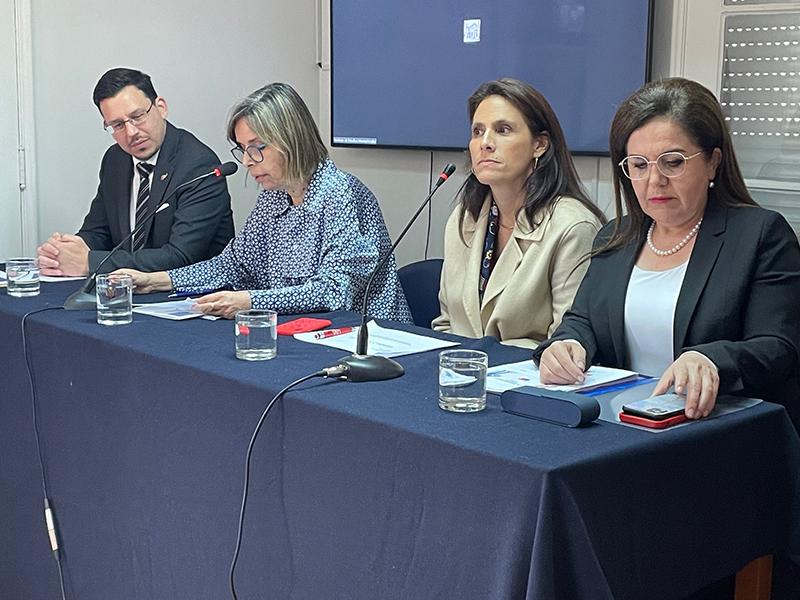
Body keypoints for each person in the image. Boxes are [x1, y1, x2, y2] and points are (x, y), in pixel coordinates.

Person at [534, 77, 800, 427]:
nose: (654, 180)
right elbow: (582, 321)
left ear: (712, 162)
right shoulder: (615, 236)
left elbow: (779, 346)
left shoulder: (760, 235)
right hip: (621, 427)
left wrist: (711, 360)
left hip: (718, 432)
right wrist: (566, 345)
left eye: (672, 162)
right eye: (639, 165)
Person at [116, 82, 411, 322]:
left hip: (369, 346)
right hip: (300, 336)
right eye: (243, 149)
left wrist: (248, 301)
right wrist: (156, 280)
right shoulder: (273, 196)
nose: (247, 161)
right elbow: (234, 266)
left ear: (292, 139)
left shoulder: (340, 193)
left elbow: (333, 292)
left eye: (257, 148)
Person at [432, 78, 605, 348]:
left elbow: (569, 343)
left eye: (503, 130)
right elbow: (446, 323)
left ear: (540, 145)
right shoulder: (465, 218)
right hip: (461, 379)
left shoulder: (572, 226)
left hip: (531, 381)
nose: (485, 143)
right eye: (478, 132)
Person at [37, 68, 234, 276]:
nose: (131, 133)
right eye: (117, 125)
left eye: (137, 116)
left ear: (161, 107)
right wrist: (66, 251)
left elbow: (181, 256)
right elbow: (98, 232)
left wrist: (90, 263)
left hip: (193, 298)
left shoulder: (198, 166)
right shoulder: (116, 159)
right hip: (128, 291)